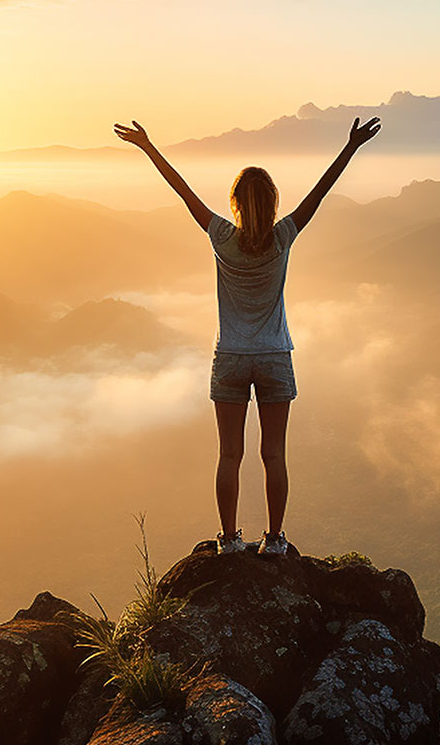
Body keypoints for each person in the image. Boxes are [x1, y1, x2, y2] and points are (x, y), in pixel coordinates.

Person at [114, 114, 383, 555]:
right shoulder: (282, 238)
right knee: (274, 455)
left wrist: (148, 146)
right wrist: (351, 147)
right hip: (275, 355)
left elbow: (182, 191)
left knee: (229, 456)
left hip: (231, 358)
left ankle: (229, 541)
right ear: (274, 202)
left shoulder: (222, 235)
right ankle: (275, 540)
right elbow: (319, 193)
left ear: (236, 202)